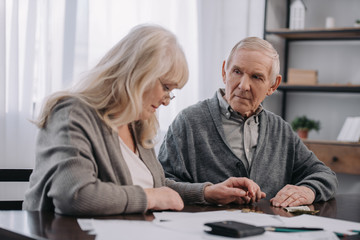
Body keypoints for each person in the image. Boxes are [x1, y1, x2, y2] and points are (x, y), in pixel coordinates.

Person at [23, 25, 266, 216]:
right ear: (138, 73)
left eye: (172, 91)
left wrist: (208, 192)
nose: (166, 100)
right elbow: (75, 196)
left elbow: (158, 186)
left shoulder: (138, 123)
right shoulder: (72, 113)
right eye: (165, 87)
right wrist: (152, 198)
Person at [158, 36, 338, 208]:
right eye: (237, 72)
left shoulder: (281, 130)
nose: (244, 85)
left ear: (273, 85)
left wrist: (308, 190)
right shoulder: (188, 122)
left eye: (256, 77)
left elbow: (324, 174)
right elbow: (160, 183)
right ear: (224, 72)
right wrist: (205, 192)